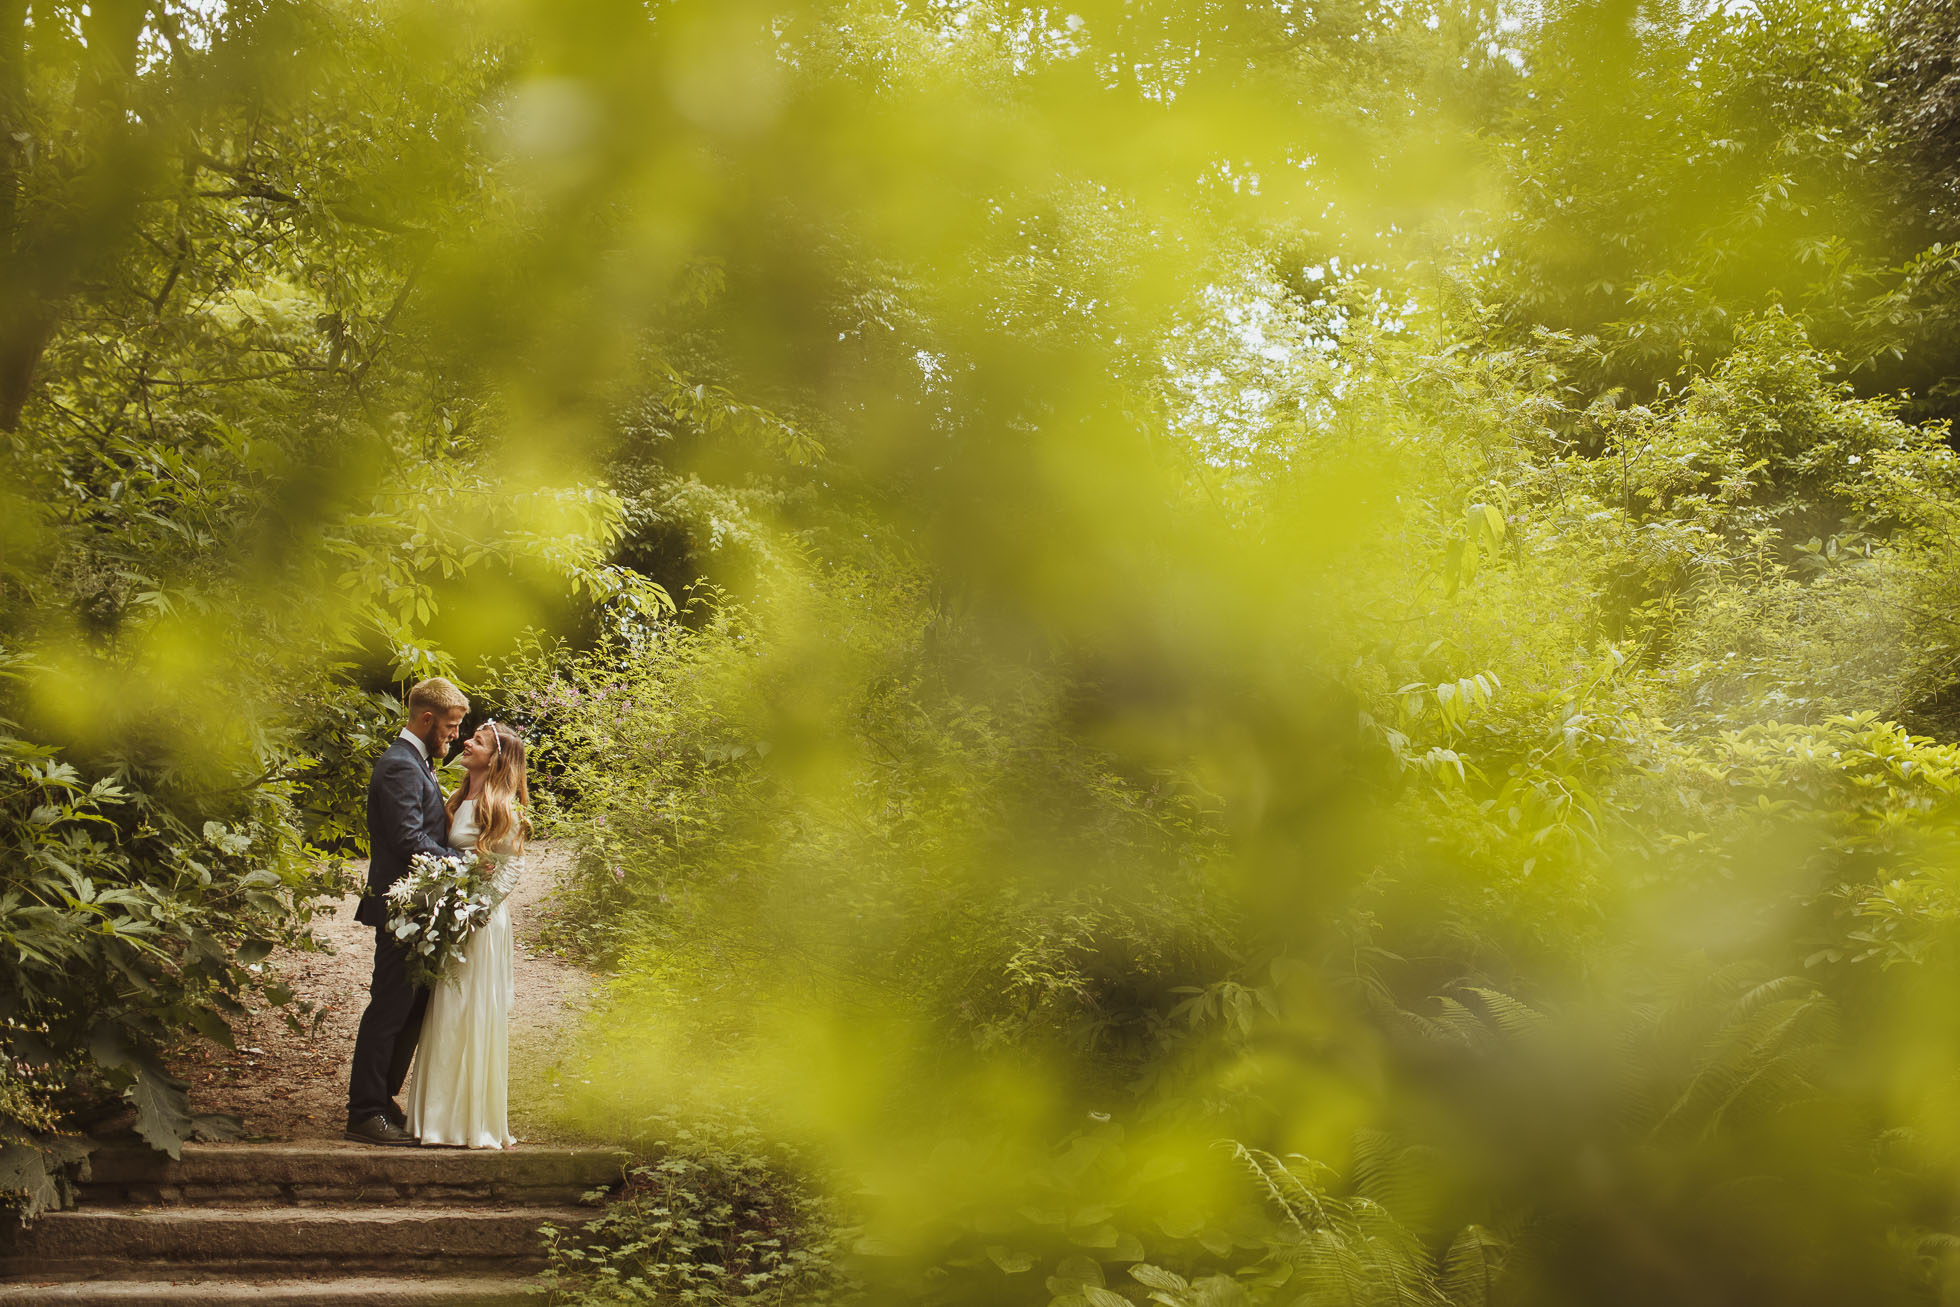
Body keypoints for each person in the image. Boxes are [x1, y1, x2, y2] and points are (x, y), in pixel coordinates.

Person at [346, 676, 468, 1147]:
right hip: (401, 906)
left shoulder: (417, 763)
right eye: (451, 728)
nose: (454, 737)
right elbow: (408, 839)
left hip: (418, 909)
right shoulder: (399, 765)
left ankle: (381, 1100)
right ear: (427, 719)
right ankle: (364, 1111)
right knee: (390, 1010)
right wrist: (466, 866)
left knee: (412, 1010)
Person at [404, 718, 529, 1148]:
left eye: (478, 741)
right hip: (454, 915)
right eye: (472, 737)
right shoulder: (459, 797)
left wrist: (474, 909)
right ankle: (436, 1119)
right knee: (445, 1012)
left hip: (478, 922)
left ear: (495, 759)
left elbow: (512, 867)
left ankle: (469, 1123)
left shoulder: (500, 806)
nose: (467, 743)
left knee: (467, 1010)